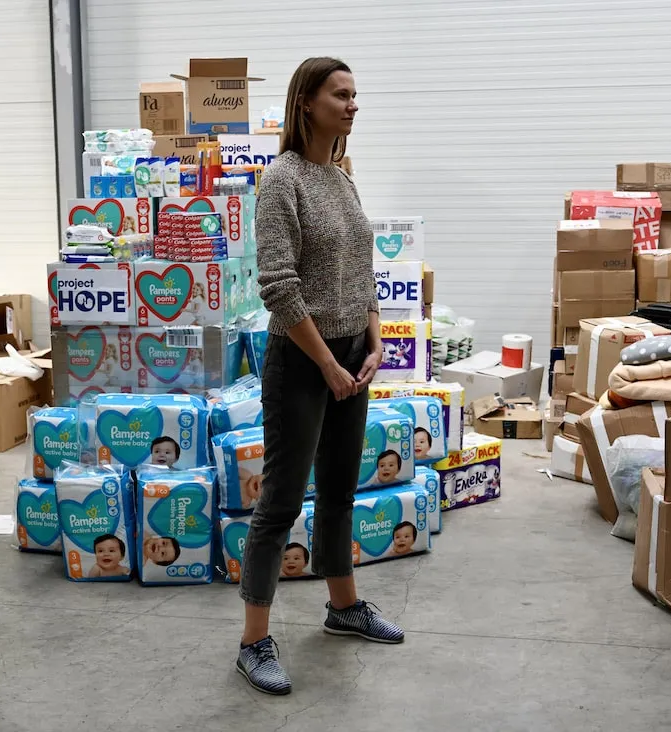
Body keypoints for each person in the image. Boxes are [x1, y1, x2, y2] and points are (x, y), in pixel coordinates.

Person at [235, 57, 405, 697]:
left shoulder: (342, 178)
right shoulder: (281, 181)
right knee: (281, 499)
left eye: (356, 95)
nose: (353, 104)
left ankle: (344, 606)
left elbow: (362, 271)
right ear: (306, 101)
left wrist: (375, 337)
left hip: (352, 354)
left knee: (339, 488)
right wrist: (327, 364)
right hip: (303, 361)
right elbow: (278, 285)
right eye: (341, 94)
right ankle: (253, 641)